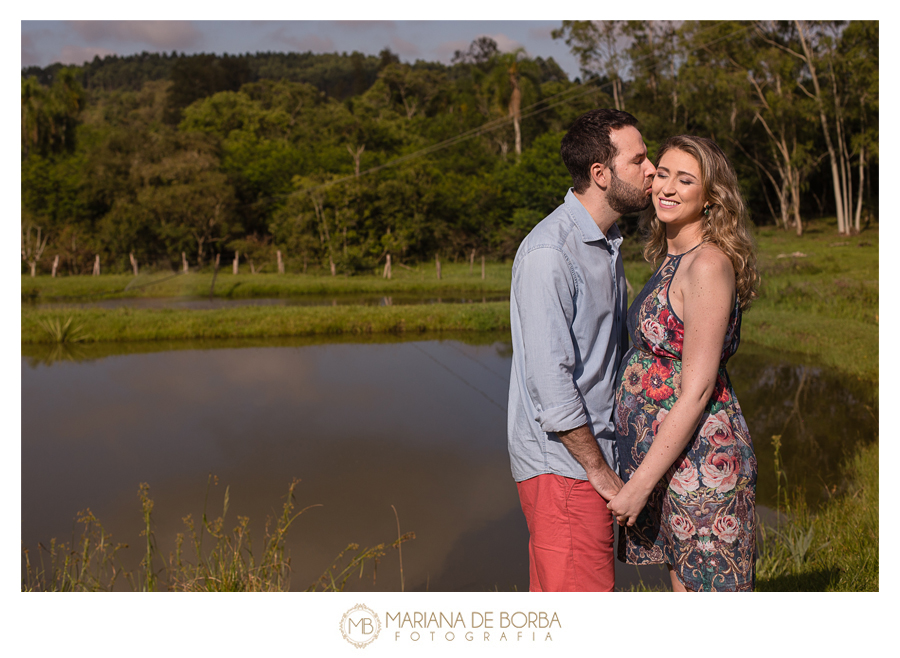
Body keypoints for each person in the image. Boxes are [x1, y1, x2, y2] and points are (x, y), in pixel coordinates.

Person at [508, 109, 657, 592]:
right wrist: (599, 471)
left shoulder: (606, 242)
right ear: (601, 173)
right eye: (638, 160)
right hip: (567, 468)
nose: (651, 169)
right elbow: (552, 386)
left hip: (589, 459)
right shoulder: (551, 253)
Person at [607, 135, 760, 591]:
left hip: (701, 463)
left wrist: (638, 486)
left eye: (686, 179)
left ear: (711, 198)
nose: (667, 187)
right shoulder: (672, 259)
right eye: (664, 174)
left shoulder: (707, 264)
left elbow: (695, 389)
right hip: (671, 464)